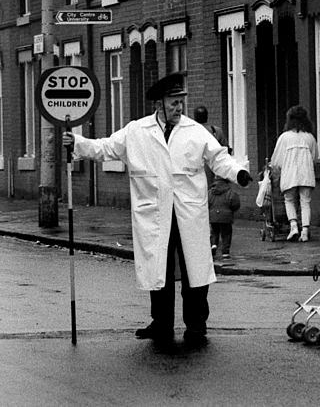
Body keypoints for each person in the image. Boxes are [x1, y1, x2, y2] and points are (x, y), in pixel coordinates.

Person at [62, 71, 251, 349]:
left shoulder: (194, 131)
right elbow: (106, 148)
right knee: (158, 269)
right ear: (158, 104)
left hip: (188, 212)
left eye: (180, 102)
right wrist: (77, 143)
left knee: (194, 270)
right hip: (155, 213)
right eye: (173, 102)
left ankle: (196, 325)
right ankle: (161, 323)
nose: (179, 107)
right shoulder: (137, 131)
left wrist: (239, 173)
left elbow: (218, 157)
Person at [268, 105, 318, 242]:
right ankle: (305, 231)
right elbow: (315, 158)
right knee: (305, 202)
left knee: (289, 200)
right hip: (306, 174)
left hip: (289, 174)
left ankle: (294, 226)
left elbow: (276, 161)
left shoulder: (284, 137)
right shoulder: (310, 138)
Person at [193, 105, 228, 183]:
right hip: (213, 171)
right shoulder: (216, 131)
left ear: (195, 117)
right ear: (207, 116)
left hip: (195, 170)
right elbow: (226, 151)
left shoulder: (190, 132)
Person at [208, 175, 241, 259]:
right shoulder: (230, 192)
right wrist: (231, 210)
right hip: (226, 217)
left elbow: (207, 203)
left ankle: (214, 245)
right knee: (226, 234)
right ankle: (225, 252)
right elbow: (235, 204)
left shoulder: (210, 192)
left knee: (214, 232)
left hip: (213, 216)